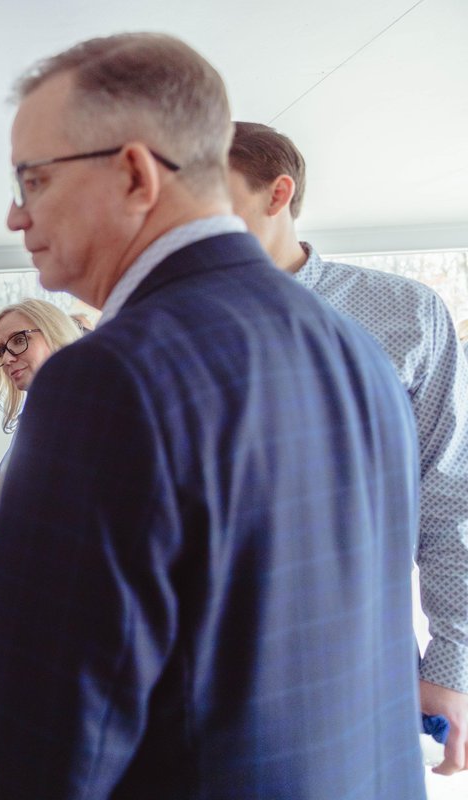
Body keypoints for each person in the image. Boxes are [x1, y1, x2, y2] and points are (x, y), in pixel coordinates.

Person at [0, 33, 424, 798]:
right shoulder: (358, 352)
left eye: (33, 179)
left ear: (135, 173)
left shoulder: (105, 379)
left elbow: (32, 748)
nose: (13, 214)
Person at [228, 120, 468, 776]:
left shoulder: (406, 313)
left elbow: (448, 495)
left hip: (358, 661)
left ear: (277, 194)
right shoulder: (164, 328)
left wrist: (452, 661)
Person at [0, 298, 81, 526]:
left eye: (19, 340)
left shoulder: (80, 419)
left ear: (54, 332)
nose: (7, 358)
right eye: (1, 350)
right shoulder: (36, 420)